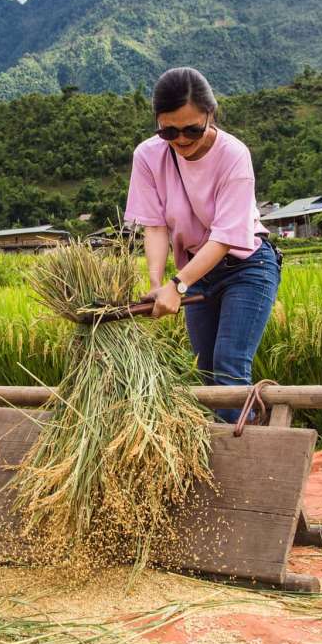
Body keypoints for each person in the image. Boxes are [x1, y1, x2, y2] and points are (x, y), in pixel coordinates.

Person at [124, 67, 280, 421]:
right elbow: (155, 226)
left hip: (246, 267)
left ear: (211, 114)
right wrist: (156, 285)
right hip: (196, 271)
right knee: (206, 374)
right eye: (169, 130)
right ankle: (245, 440)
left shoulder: (233, 155)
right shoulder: (148, 156)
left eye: (192, 129)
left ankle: (241, 462)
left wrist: (177, 285)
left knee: (228, 369)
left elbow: (225, 237)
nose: (181, 139)